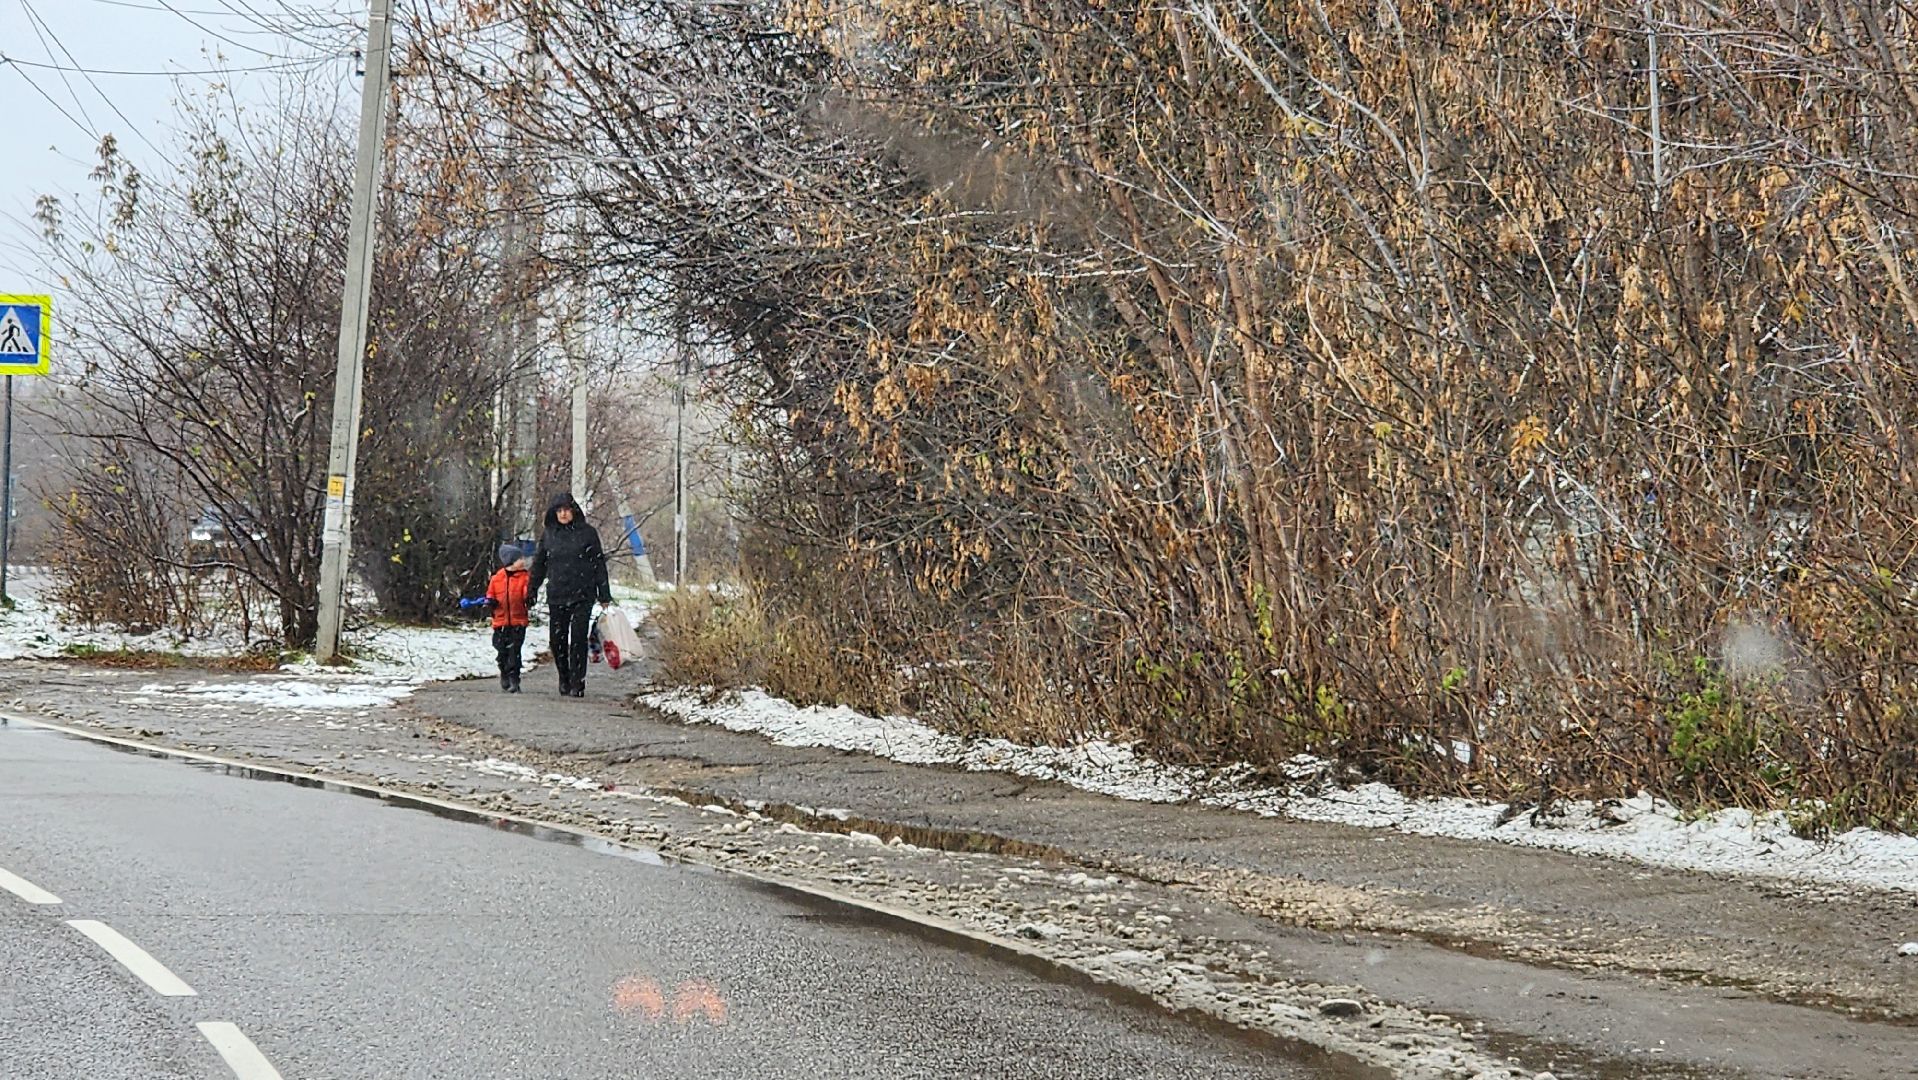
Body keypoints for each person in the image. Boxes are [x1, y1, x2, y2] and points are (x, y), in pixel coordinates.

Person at [527, 491, 615, 697]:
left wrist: (604, 595)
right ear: (553, 513)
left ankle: (578, 681)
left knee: (578, 639)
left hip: (582, 594)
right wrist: (531, 590)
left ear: (574, 511)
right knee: (556, 640)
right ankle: (564, 677)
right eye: (559, 510)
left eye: (566, 510)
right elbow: (539, 564)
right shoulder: (549, 534)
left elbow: (598, 564)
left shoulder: (588, 533)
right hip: (557, 593)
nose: (563, 514)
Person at [485, 544, 533, 693]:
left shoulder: (525, 578)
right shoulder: (497, 578)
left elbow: (527, 595)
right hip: (500, 621)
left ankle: (514, 679)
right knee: (501, 650)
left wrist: (529, 598)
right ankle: (504, 672)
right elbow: (490, 595)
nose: (523, 561)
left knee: (515, 652)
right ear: (510, 561)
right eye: (520, 559)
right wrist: (490, 602)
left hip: (518, 621)